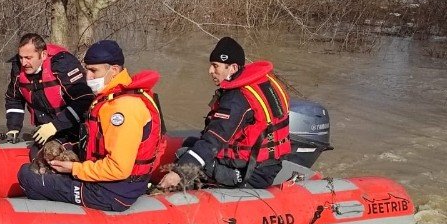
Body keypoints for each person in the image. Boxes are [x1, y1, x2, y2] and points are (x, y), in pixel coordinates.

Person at [17, 39, 166, 212]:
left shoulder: (123, 108)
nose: (88, 77)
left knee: (27, 176)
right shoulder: (113, 98)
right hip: (112, 183)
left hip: (112, 192)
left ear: (114, 70)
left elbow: (119, 169)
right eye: (86, 69)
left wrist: (75, 169)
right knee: (45, 160)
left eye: (94, 70)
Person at [156, 36, 290, 191]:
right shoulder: (263, 83)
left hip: (250, 173)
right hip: (268, 164)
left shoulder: (236, 99)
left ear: (232, 68)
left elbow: (213, 141)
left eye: (215, 66)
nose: (210, 71)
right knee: (190, 144)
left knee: (183, 154)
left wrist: (178, 173)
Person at [4, 32, 93, 146]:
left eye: (28, 58)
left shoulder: (62, 64)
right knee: (36, 155)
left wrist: (55, 125)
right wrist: (13, 127)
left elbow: (84, 100)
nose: (24, 63)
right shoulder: (18, 67)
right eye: (21, 58)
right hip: (45, 130)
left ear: (44, 55)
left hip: (74, 128)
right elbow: (14, 99)